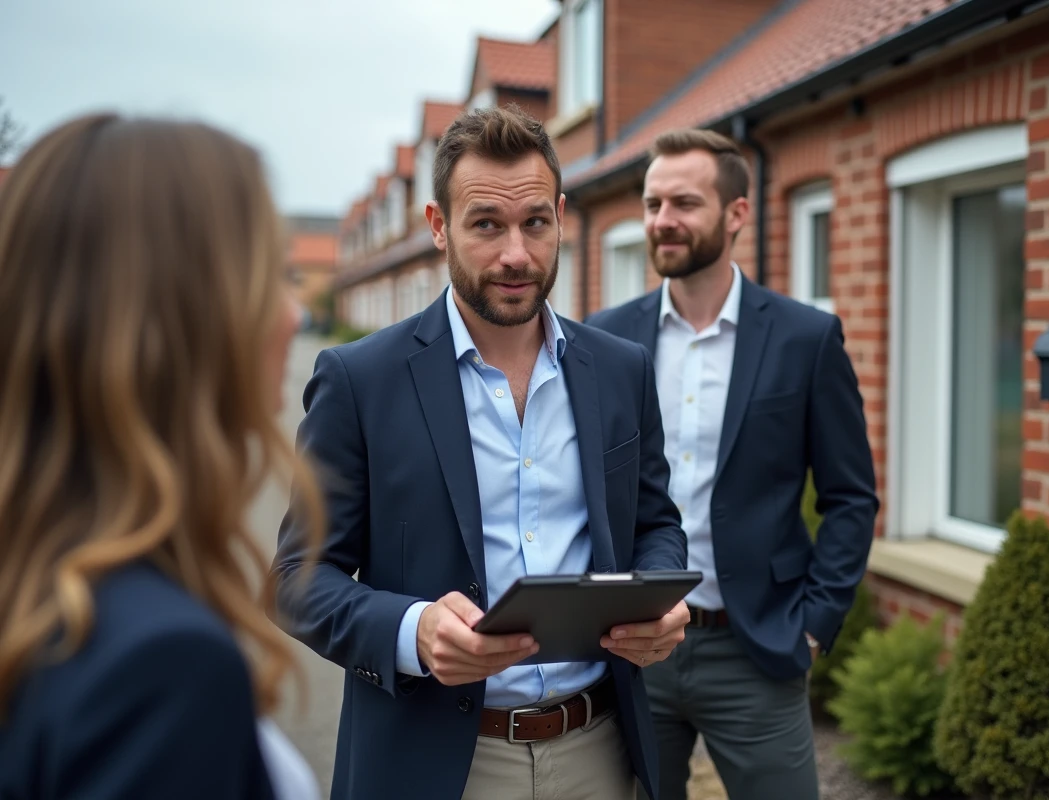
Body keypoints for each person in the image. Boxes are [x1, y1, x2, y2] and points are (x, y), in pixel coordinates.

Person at [272, 104, 690, 800]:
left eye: (534, 223)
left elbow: (656, 524)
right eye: (486, 225)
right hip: (434, 764)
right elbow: (295, 578)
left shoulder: (621, 369)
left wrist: (656, 603)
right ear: (438, 227)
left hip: (600, 750)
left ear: (560, 216)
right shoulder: (359, 380)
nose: (516, 255)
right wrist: (414, 630)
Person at [0, 114, 323, 800]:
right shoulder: (160, 667)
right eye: (272, 276)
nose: (295, 315)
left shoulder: (35, 583)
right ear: (185, 318)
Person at [586, 128, 879, 800]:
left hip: (756, 648)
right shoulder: (603, 335)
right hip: (633, 643)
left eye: (684, 203)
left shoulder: (807, 338)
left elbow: (851, 496)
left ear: (737, 213)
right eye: (653, 203)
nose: (663, 221)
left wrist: (813, 623)